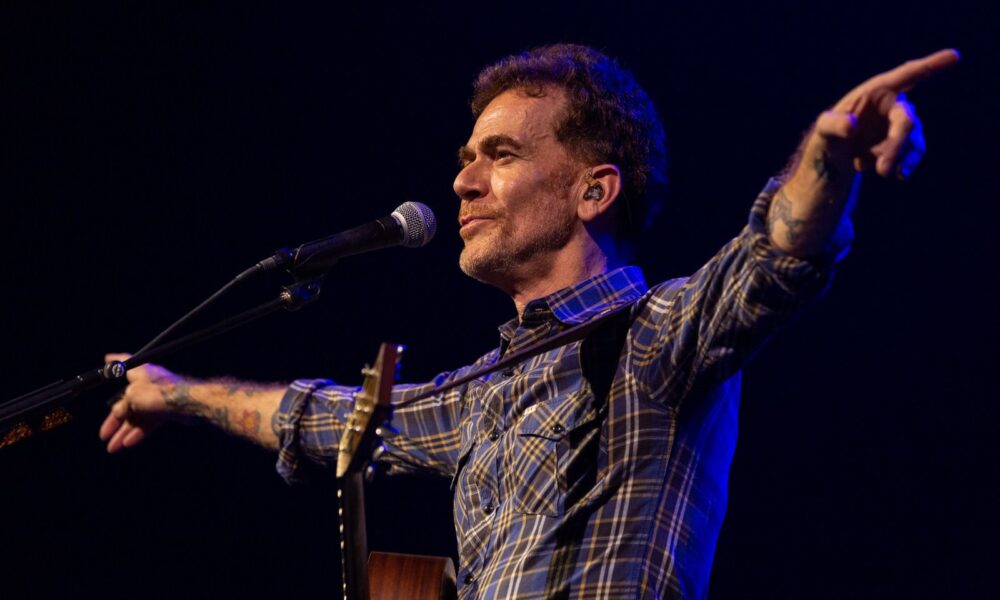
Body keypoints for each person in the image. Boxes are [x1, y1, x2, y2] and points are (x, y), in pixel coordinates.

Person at [99, 44, 958, 599]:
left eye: (500, 155)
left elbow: (769, 262)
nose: (463, 182)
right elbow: (323, 418)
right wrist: (172, 393)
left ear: (593, 190)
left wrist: (828, 153)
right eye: (466, 159)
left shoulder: (654, 337)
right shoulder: (482, 392)